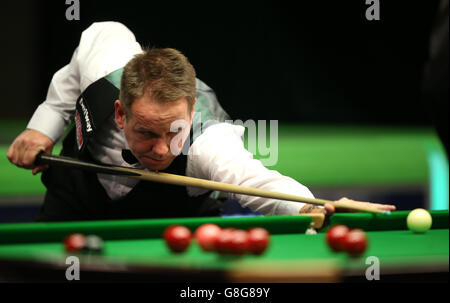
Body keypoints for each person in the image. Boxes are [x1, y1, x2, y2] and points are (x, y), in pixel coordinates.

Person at [7, 22, 395, 222]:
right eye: (145, 132)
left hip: (175, 222)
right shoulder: (105, 56)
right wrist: (43, 126)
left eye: (175, 132)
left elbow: (252, 180)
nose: (161, 150)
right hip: (75, 200)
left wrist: (315, 207)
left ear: (191, 113)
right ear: (121, 112)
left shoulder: (210, 142)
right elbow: (76, 65)